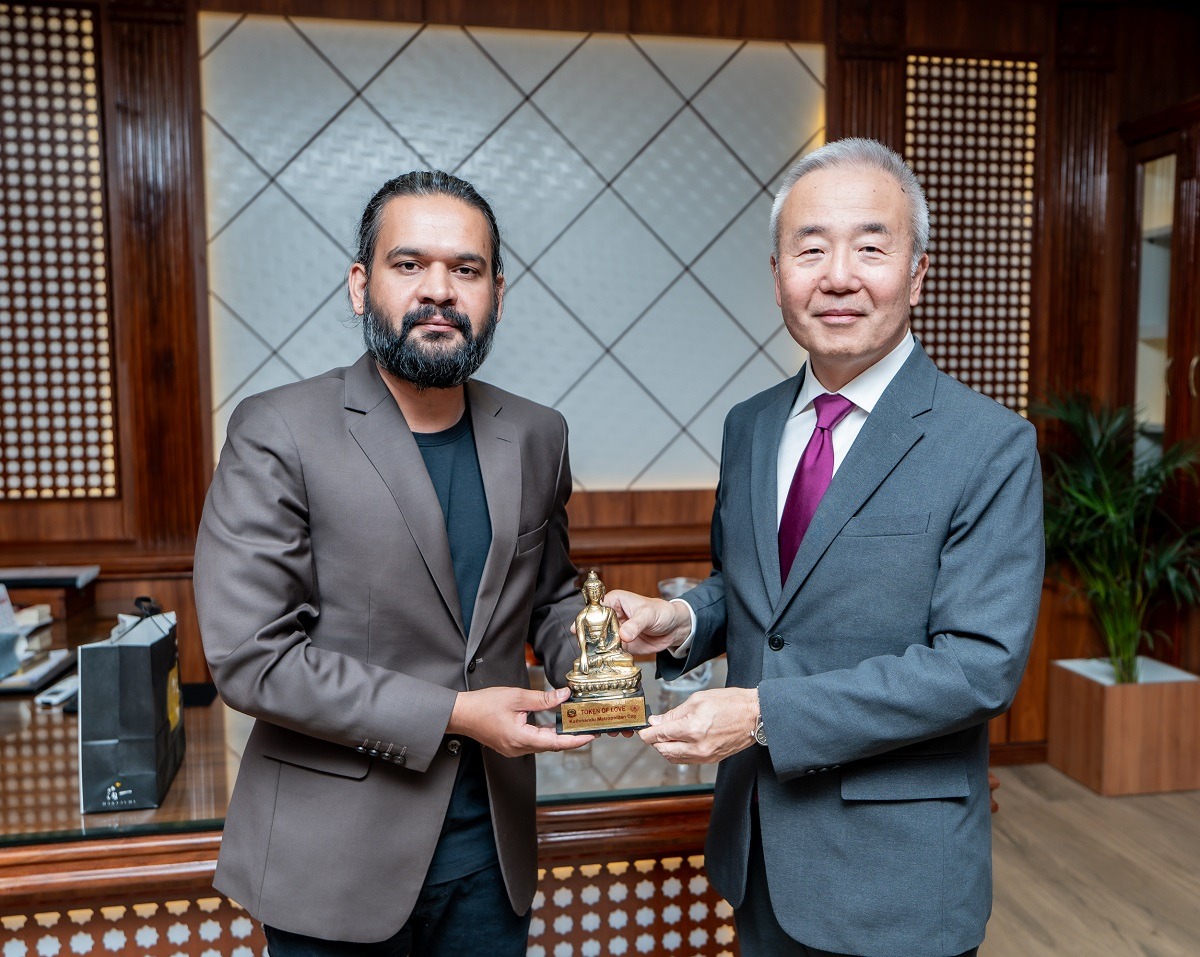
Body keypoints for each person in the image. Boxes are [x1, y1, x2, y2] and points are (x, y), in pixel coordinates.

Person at [606, 138, 1044, 957]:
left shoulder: (989, 444)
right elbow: (765, 594)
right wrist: (685, 619)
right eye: (811, 250)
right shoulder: (750, 424)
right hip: (758, 850)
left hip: (895, 877)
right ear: (778, 274)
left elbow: (978, 665)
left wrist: (763, 713)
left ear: (917, 272)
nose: (838, 276)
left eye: (870, 248)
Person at [194, 170, 592, 957]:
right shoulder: (279, 429)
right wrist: (455, 714)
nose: (438, 290)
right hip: (330, 863)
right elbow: (252, 658)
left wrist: (597, 662)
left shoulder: (538, 434)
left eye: (466, 269)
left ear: (497, 293)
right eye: (409, 264)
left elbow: (552, 597)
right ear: (360, 285)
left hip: (491, 856)